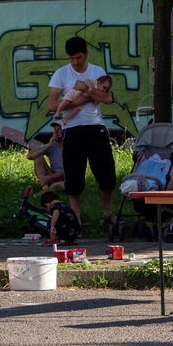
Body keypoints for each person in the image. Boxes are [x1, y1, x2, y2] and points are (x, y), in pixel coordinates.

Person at [45, 37, 116, 225]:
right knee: (74, 179)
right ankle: (76, 220)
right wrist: (85, 98)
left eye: (79, 57)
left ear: (86, 54)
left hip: (95, 127)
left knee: (107, 174)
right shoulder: (61, 74)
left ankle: (107, 213)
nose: (75, 62)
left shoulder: (97, 71)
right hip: (72, 130)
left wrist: (86, 93)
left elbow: (107, 97)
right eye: (71, 58)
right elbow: (52, 104)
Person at [27, 122, 66, 191]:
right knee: (38, 158)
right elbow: (30, 156)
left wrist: (48, 178)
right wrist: (48, 145)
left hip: (68, 178)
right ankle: (45, 188)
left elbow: (68, 170)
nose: (56, 132)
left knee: (61, 186)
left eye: (59, 129)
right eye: (54, 130)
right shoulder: (52, 145)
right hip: (53, 177)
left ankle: (48, 189)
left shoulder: (72, 146)